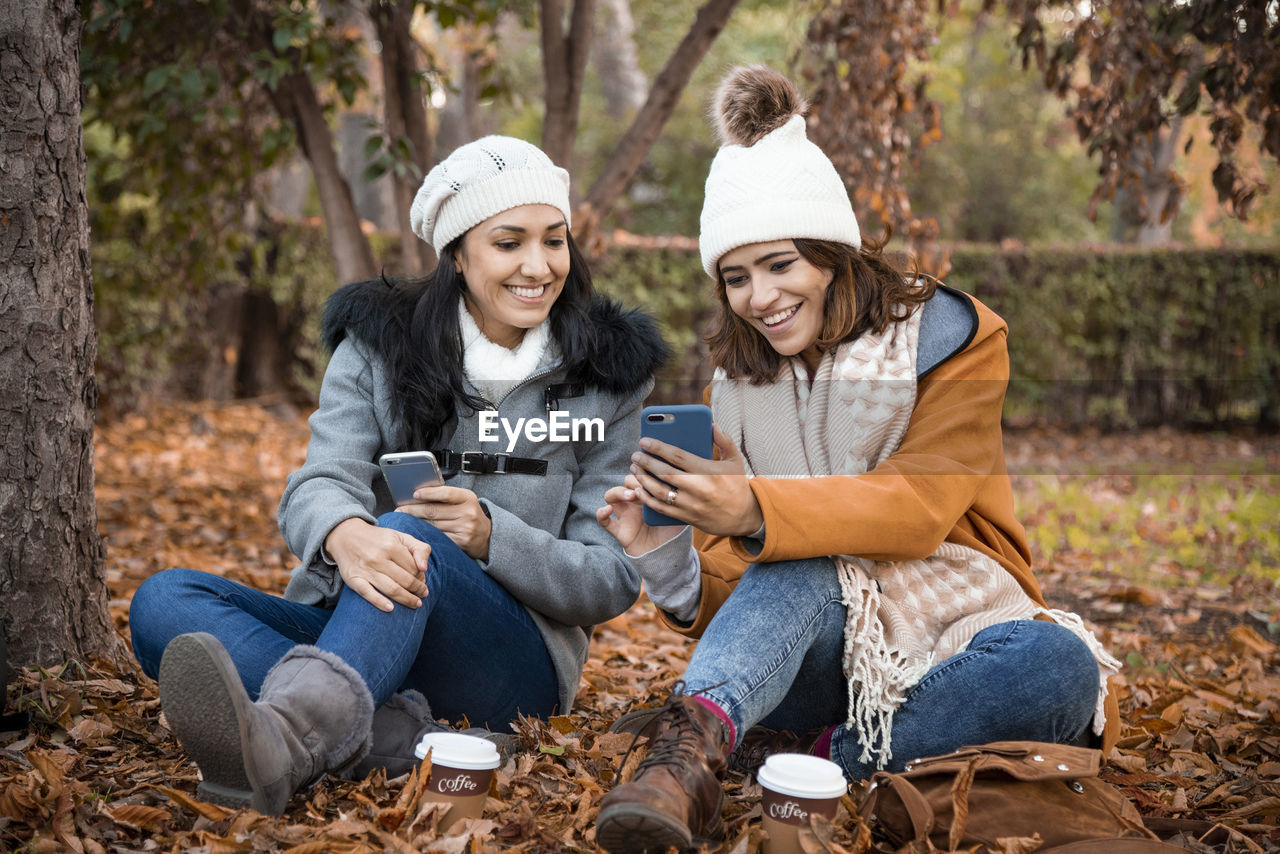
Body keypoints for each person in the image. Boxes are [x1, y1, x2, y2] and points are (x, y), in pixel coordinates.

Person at [591, 66, 1121, 853]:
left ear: (832, 254)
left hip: (962, 633)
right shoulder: (736, 386)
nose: (758, 297)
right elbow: (746, 611)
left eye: (780, 265)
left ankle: (807, 764)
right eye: (735, 277)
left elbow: (919, 506)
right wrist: (667, 557)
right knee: (801, 568)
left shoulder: (952, 338)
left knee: (1059, 666)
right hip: (826, 654)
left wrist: (758, 506)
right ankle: (685, 758)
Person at [128, 135, 667, 817]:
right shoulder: (380, 346)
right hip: (357, 631)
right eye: (509, 243)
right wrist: (346, 534)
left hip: (508, 665)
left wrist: (488, 536)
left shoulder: (608, 378)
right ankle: (393, 737)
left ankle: (288, 738)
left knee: (418, 535)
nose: (538, 265)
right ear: (458, 254)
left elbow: (611, 577)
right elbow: (317, 484)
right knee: (163, 602)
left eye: (554, 241)